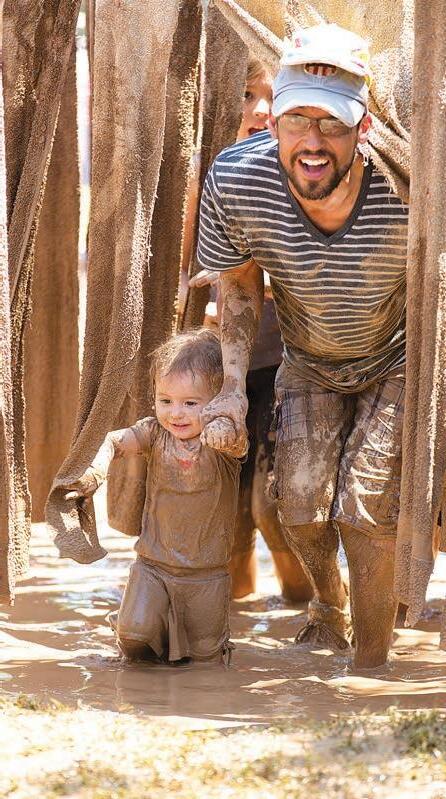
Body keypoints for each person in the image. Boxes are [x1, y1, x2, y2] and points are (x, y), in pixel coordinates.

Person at [197, 24, 409, 669]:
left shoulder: (410, 182)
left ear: (363, 126)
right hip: (309, 358)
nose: (312, 142)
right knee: (298, 506)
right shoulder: (238, 179)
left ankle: (370, 663)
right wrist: (231, 390)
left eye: (331, 124)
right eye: (296, 121)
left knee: (366, 510)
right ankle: (329, 606)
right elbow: (239, 285)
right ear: (274, 122)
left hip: (400, 357)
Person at [186, 57, 313, 602]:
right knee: (229, 511)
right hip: (221, 368)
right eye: (245, 95)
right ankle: (238, 625)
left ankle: (312, 611)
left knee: (272, 504)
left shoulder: (310, 169)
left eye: (271, 96)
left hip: (288, 363)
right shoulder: (208, 172)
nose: (259, 110)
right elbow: (187, 268)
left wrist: (254, 280)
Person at [65, 330, 247, 664]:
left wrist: (225, 427)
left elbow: (236, 442)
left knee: (206, 659)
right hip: (152, 566)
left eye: (190, 403)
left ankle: (182, 651)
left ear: (218, 401)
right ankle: (138, 630)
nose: (176, 413)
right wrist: (94, 472)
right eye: (166, 401)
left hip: (206, 575)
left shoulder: (222, 441)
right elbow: (114, 441)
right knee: (134, 636)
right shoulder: (154, 432)